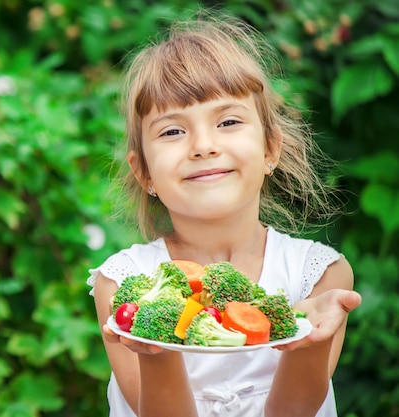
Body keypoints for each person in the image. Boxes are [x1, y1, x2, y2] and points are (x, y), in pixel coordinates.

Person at [86, 10, 362, 417]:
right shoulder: (126, 282)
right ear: (144, 172)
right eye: (172, 131)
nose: (202, 146)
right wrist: (156, 350)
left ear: (270, 149)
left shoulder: (318, 275)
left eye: (228, 121)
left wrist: (311, 344)